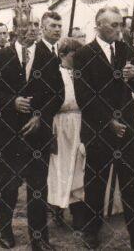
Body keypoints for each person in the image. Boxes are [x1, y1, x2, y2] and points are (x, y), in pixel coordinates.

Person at [73, 6, 134, 251]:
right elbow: (84, 96)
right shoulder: (83, 55)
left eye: (121, 25)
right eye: (114, 25)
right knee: (96, 184)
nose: (119, 30)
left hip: (127, 128)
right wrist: (108, 121)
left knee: (133, 184)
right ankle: (91, 234)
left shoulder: (126, 50)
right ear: (98, 25)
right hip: (99, 129)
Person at [0, 13, 64, 251]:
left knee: (38, 186)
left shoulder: (47, 57)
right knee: (8, 185)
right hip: (8, 133)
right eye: (24, 25)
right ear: (15, 29)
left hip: (37, 134)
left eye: (33, 25)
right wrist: (11, 102)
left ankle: (38, 237)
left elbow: (57, 93)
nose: (30, 29)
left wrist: (40, 115)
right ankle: (5, 231)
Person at [47, 37, 87, 232]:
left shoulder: (82, 73)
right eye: (74, 55)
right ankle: (57, 207)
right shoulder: (55, 73)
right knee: (60, 168)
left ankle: (79, 213)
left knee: (79, 167)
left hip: (79, 122)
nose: (77, 58)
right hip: (60, 124)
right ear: (63, 55)